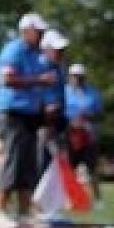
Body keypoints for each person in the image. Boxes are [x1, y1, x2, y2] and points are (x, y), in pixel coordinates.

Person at [0, 12, 53, 228]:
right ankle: (0, 211)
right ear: (26, 31)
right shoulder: (14, 50)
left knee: (27, 164)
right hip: (13, 112)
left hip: (30, 114)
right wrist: (39, 81)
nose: (42, 35)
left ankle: (24, 211)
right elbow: (7, 79)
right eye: (39, 31)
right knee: (13, 161)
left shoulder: (37, 54)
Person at [65, 63, 105, 208]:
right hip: (70, 136)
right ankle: (71, 198)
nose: (77, 79)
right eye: (75, 76)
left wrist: (88, 116)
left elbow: (100, 113)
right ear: (70, 77)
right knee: (69, 169)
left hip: (89, 136)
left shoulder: (93, 93)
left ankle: (97, 200)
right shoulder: (64, 93)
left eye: (80, 77)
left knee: (92, 169)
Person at [37, 29, 69, 178]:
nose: (61, 52)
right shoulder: (38, 66)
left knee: (55, 162)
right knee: (41, 162)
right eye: (57, 49)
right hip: (43, 122)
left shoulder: (60, 68)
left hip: (57, 121)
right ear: (46, 49)